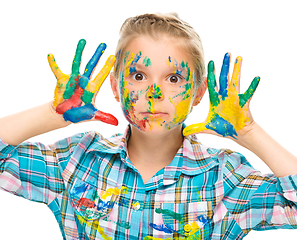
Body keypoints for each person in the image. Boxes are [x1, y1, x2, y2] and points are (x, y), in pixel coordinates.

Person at [0, 12, 297, 240]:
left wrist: (250, 133)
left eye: (173, 79)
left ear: (198, 93)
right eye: (139, 76)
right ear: (116, 87)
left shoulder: (226, 178)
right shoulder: (77, 159)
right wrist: (54, 114)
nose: (154, 94)